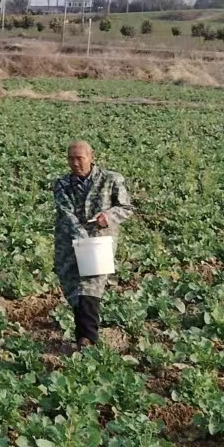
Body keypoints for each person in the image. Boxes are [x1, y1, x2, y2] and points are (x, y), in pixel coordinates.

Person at [52, 139, 133, 348]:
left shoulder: (112, 179)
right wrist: (81, 235)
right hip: (68, 243)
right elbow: (66, 213)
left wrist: (109, 215)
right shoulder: (61, 184)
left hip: (100, 242)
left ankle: (86, 338)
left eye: (80, 158)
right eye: (71, 159)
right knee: (72, 286)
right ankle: (84, 334)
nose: (75, 163)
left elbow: (126, 207)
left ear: (91, 157)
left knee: (91, 287)